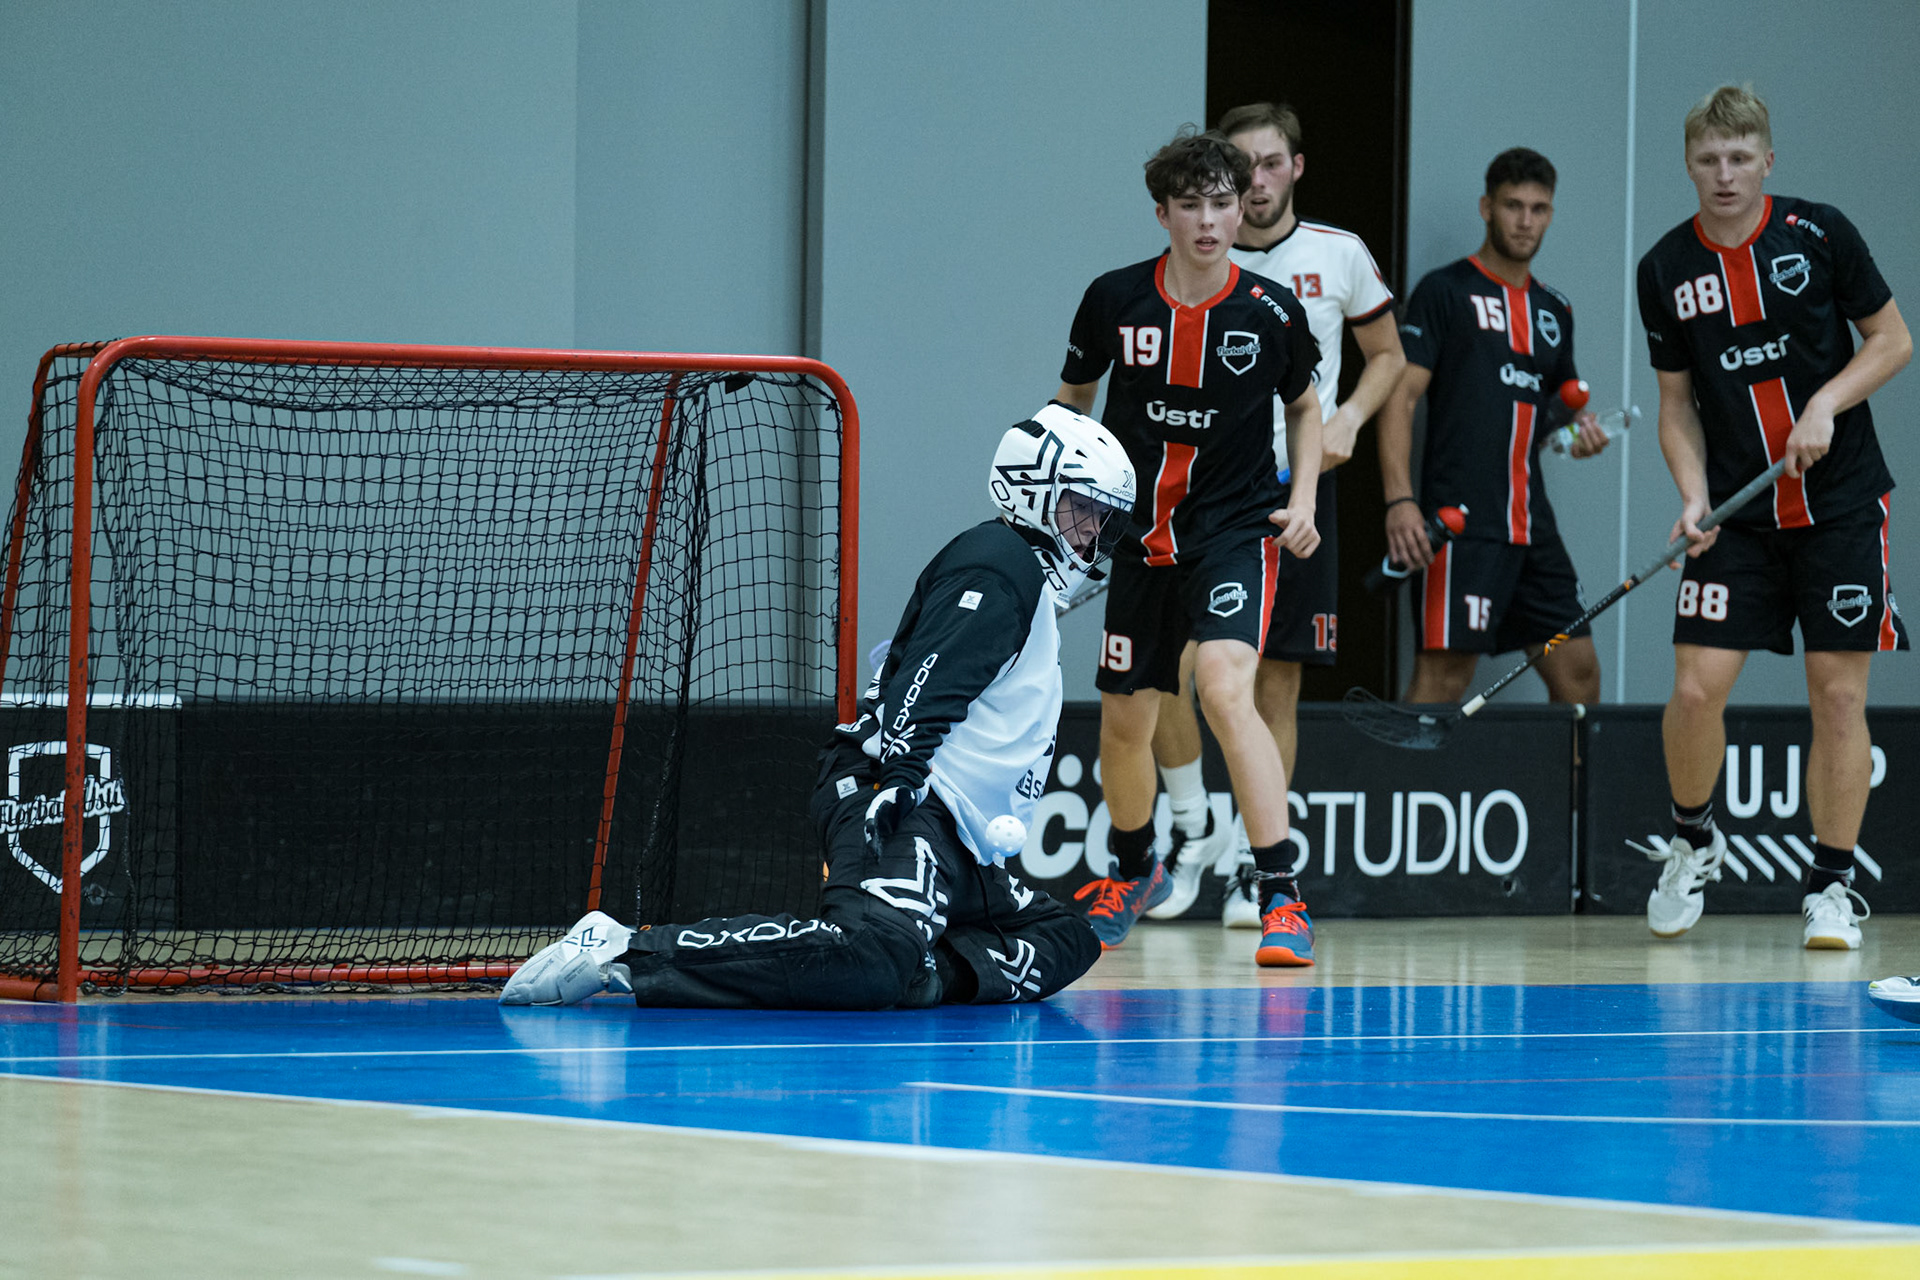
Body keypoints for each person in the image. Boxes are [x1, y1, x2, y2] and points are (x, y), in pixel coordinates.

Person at [499, 404, 1137, 1009]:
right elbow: (930, 683)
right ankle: (622, 949)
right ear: (1032, 488)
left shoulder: (1016, 574)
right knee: (870, 951)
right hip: (904, 797)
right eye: (1081, 507)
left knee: (1068, 939)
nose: (1092, 530)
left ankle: (922, 973)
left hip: (959, 836)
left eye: (1102, 516)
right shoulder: (1001, 567)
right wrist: (901, 778)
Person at [1633, 85, 1909, 948]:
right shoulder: (1664, 269)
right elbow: (1675, 406)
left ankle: (1830, 887)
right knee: (1693, 688)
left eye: (1740, 158)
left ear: (1767, 161)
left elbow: (1893, 340)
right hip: (1737, 517)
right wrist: (1691, 495)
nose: (1725, 174)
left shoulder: (1819, 234)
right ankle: (1693, 842)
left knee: (1838, 694)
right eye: (1709, 160)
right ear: (1689, 165)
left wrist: (1825, 403)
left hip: (1840, 506)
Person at [1054, 127, 1325, 966]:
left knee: (1223, 685)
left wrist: (1304, 501)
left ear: (1241, 209)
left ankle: (1279, 894)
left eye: (1222, 204)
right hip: (1138, 538)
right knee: (1125, 717)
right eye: (1191, 205)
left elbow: (1305, 408)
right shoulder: (1113, 298)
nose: (1209, 221)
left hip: (1235, 531)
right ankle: (1133, 870)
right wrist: (1062, 513)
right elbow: (1071, 403)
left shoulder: (1272, 311)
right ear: (1162, 213)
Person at [1144, 102, 1407, 931]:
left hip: (1296, 491)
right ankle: (1190, 828)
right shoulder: (1195, 255)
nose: (1255, 181)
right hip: (1200, 495)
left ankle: (1254, 867)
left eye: (1270, 163)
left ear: (1296, 167)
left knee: (1275, 683)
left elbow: (1389, 356)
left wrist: (1349, 419)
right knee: (1166, 669)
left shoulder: (1339, 254)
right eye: (1241, 167)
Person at [1376, 147, 1610, 708]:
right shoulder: (1445, 291)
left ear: (1550, 213)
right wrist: (1400, 501)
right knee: (1443, 680)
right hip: (1461, 522)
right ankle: (1402, 773)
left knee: (1579, 675)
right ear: (1487, 207)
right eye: (1512, 206)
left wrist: (1582, 434)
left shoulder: (1555, 310)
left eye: (1538, 208)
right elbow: (1399, 399)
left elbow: (1557, 414)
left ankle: (1572, 776)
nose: (1525, 221)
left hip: (1532, 526)